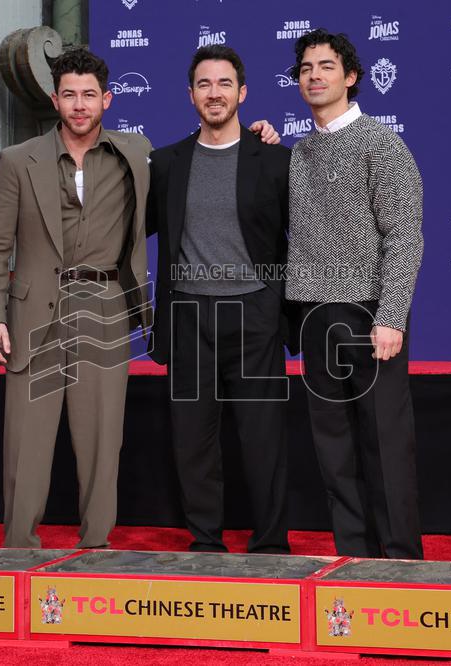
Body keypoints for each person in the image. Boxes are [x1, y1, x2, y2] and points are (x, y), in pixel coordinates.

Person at [0, 47, 153, 548]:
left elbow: (194, 164)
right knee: (26, 442)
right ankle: (19, 547)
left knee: (101, 441)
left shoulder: (135, 154)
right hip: (33, 313)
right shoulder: (16, 161)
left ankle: (96, 546)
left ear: (107, 100)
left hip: (105, 307)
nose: (79, 104)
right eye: (70, 94)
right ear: (55, 99)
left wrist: (256, 134)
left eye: (89, 95)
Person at [147, 46, 293, 554]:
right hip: (188, 315)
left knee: (264, 438)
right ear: (190, 95)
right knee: (193, 440)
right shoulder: (165, 163)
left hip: (254, 312)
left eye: (225, 83)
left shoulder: (275, 158)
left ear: (243, 93)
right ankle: (205, 541)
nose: (215, 93)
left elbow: (295, 237)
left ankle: (272, 543)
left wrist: (276, 304)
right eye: (205, 84)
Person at [287, 29, 425, 559]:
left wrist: (391, 316)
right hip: (316, 314)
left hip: (370, 316)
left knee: (385, 443)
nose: (314, 75)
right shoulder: (300, 153)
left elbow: (405, 236)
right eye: (305, 68)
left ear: (350, 77)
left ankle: (400, 563)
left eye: (325, 66)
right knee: (333, 447)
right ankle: (352, 557)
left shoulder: (382, 143)